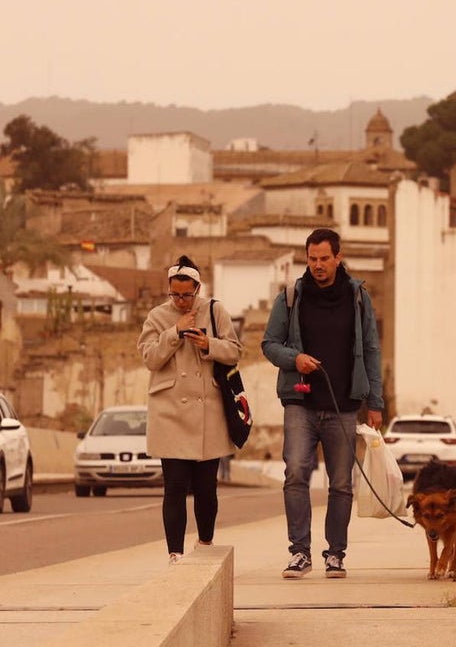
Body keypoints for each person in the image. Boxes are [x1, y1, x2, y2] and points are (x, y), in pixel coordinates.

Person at [262, 228, 384, 580]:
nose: (317, 265)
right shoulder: (290, 297)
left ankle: (336, 553)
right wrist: (294, 357)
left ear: (338, 257)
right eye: (312, 259)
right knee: (296, 473)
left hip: (344, 403)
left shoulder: (358, 297)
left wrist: (374, 402)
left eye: (324, 259)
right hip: (300, 402)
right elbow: (269, 344)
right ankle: (299, 552)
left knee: (341, 483)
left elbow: (372, 350)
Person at [138, 255, 241, 565]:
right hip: (170, 412)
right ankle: (174, 554)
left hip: (207, 410)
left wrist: (208, 344)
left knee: (207, 488)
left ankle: (206, 542)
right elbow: (150, 358)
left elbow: (235, 351)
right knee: (175, 486)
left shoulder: (215, 310)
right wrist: (174, 333)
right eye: (175, 294)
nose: (181, 300)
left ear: (198, 289)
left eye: (186, 294)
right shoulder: (157, 316)